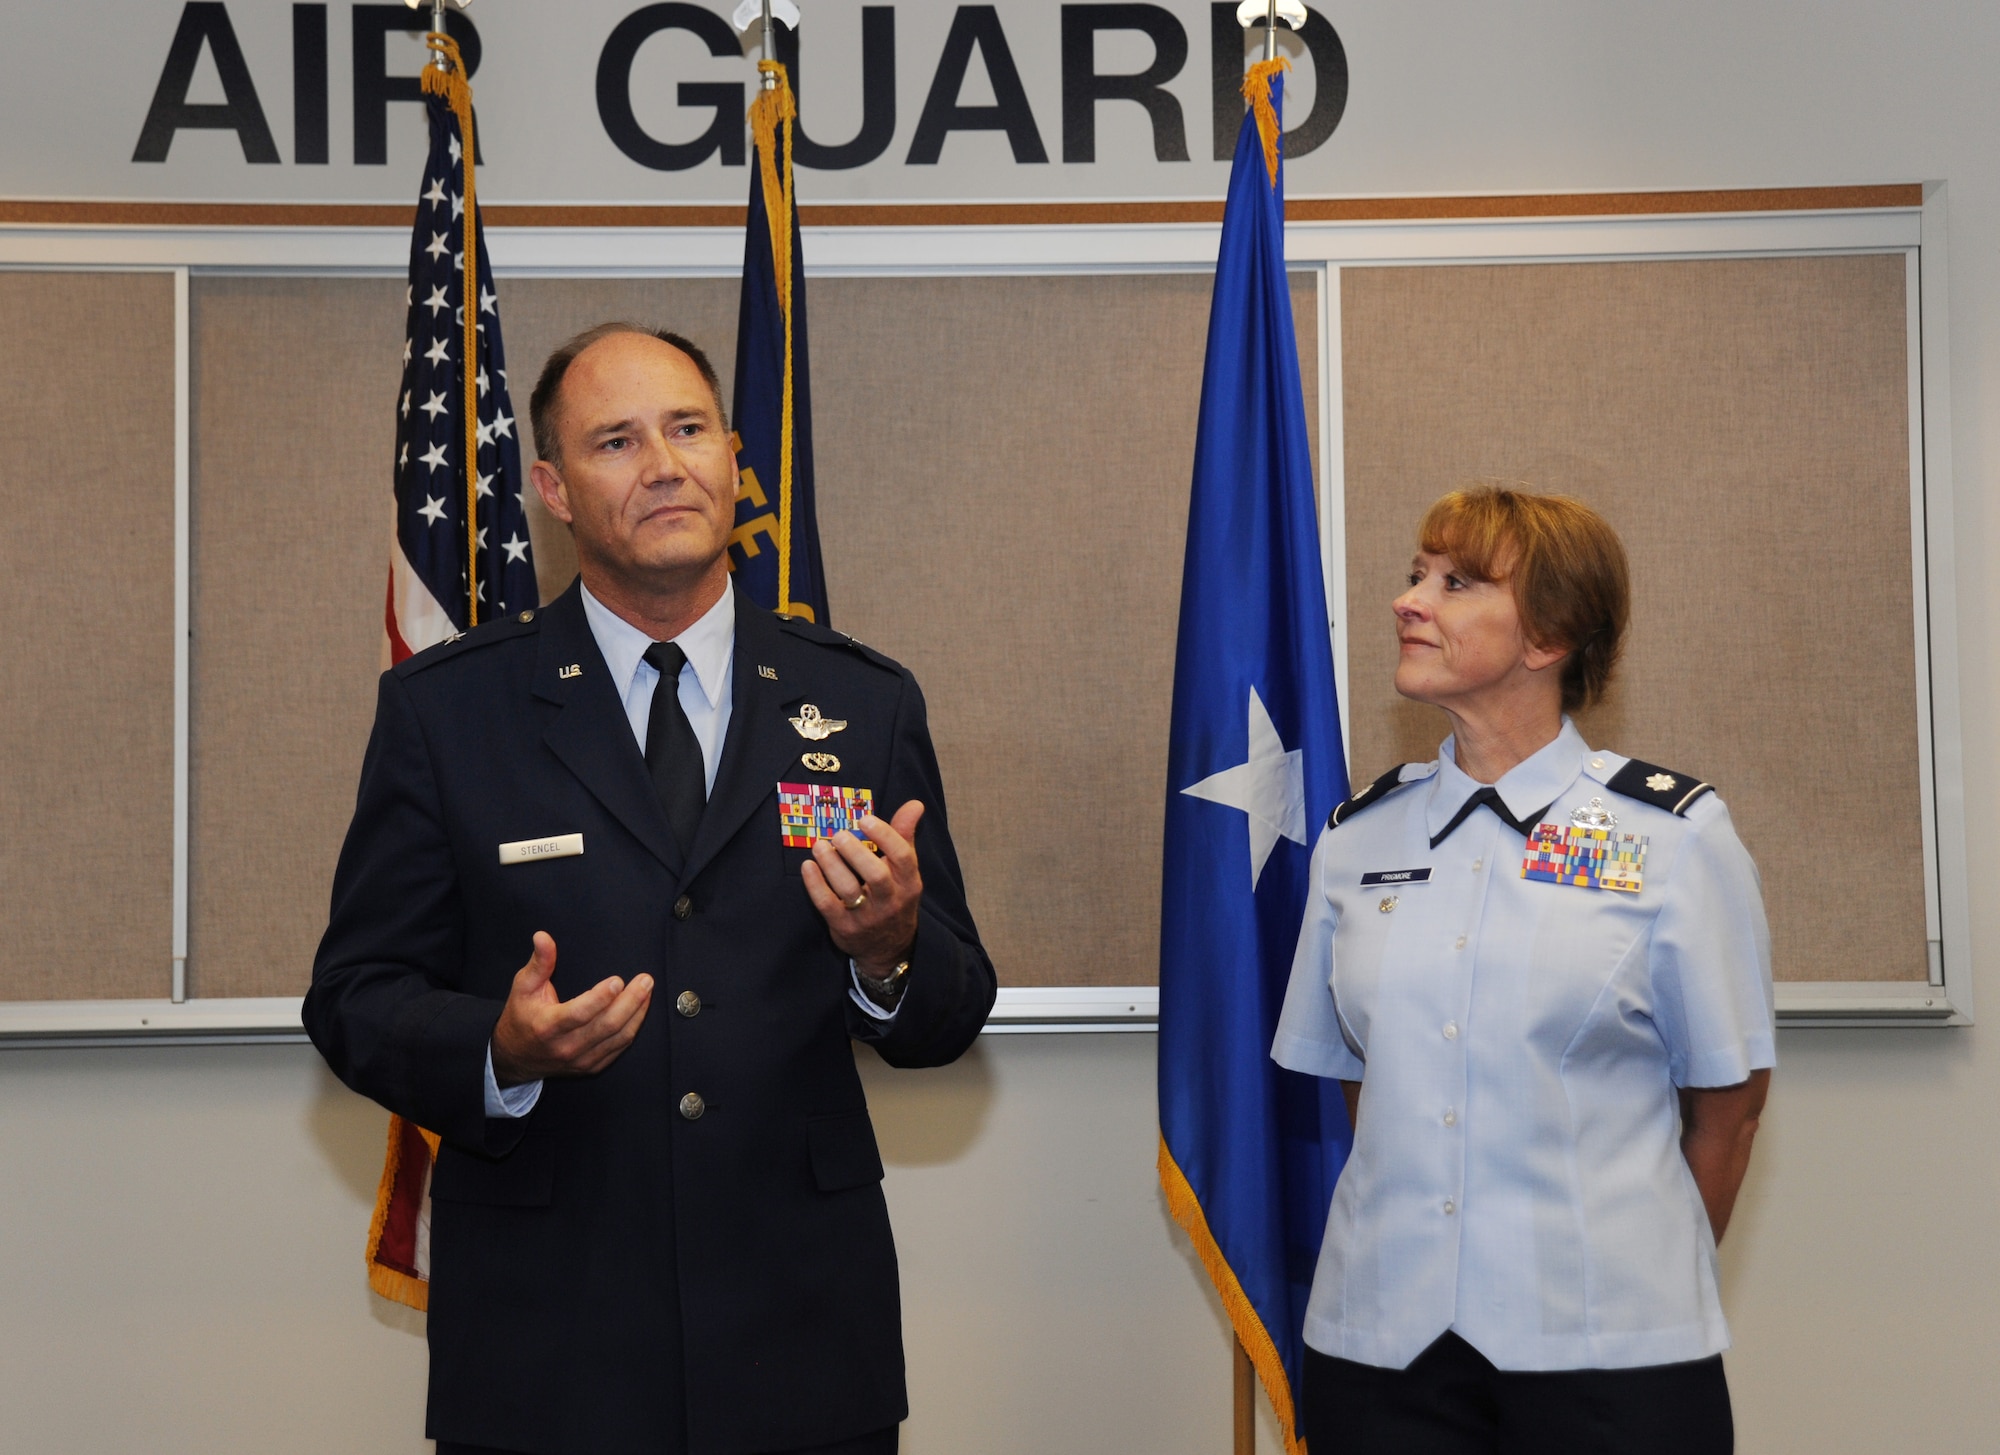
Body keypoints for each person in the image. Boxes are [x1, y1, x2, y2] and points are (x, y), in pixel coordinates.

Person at [304, 322, 996, 1455]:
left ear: (732, 454)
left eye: (686, 430)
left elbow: (948, 1012)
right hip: (548, 1344)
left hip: (803, 1342)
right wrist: (500, 1048)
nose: (664, 464)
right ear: (552, 489)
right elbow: (354, 995)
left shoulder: (860, 702)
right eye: (616, 441)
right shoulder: (450, 715)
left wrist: (889, 951)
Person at [1274, 486, 1773, 1455]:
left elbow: (1729, 1107)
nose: (1408, 601)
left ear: (1546, 638)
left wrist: (1624, 1280)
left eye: (1455, 582)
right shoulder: (1352, 840)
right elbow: (1362, 1087)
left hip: (1609, 1363)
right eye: (1415, 575)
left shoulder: (1669, 837)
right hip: (1380, 1359)